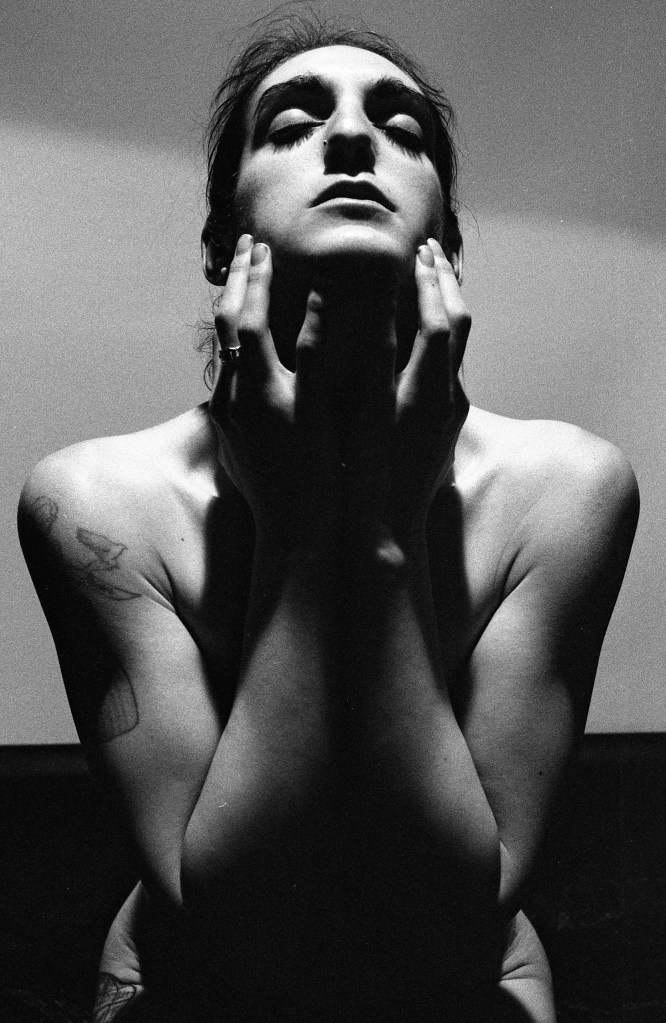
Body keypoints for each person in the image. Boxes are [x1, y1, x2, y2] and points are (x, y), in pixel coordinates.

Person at [17, 15, 639, 1023]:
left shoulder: (568, 490)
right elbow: (235, 924)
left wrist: (377, 529)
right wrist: (307, 540)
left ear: (449, 241)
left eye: (402, 129)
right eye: (293, 124)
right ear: (220, 241)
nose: (352, 137)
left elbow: (452, 915)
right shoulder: (96, 502)